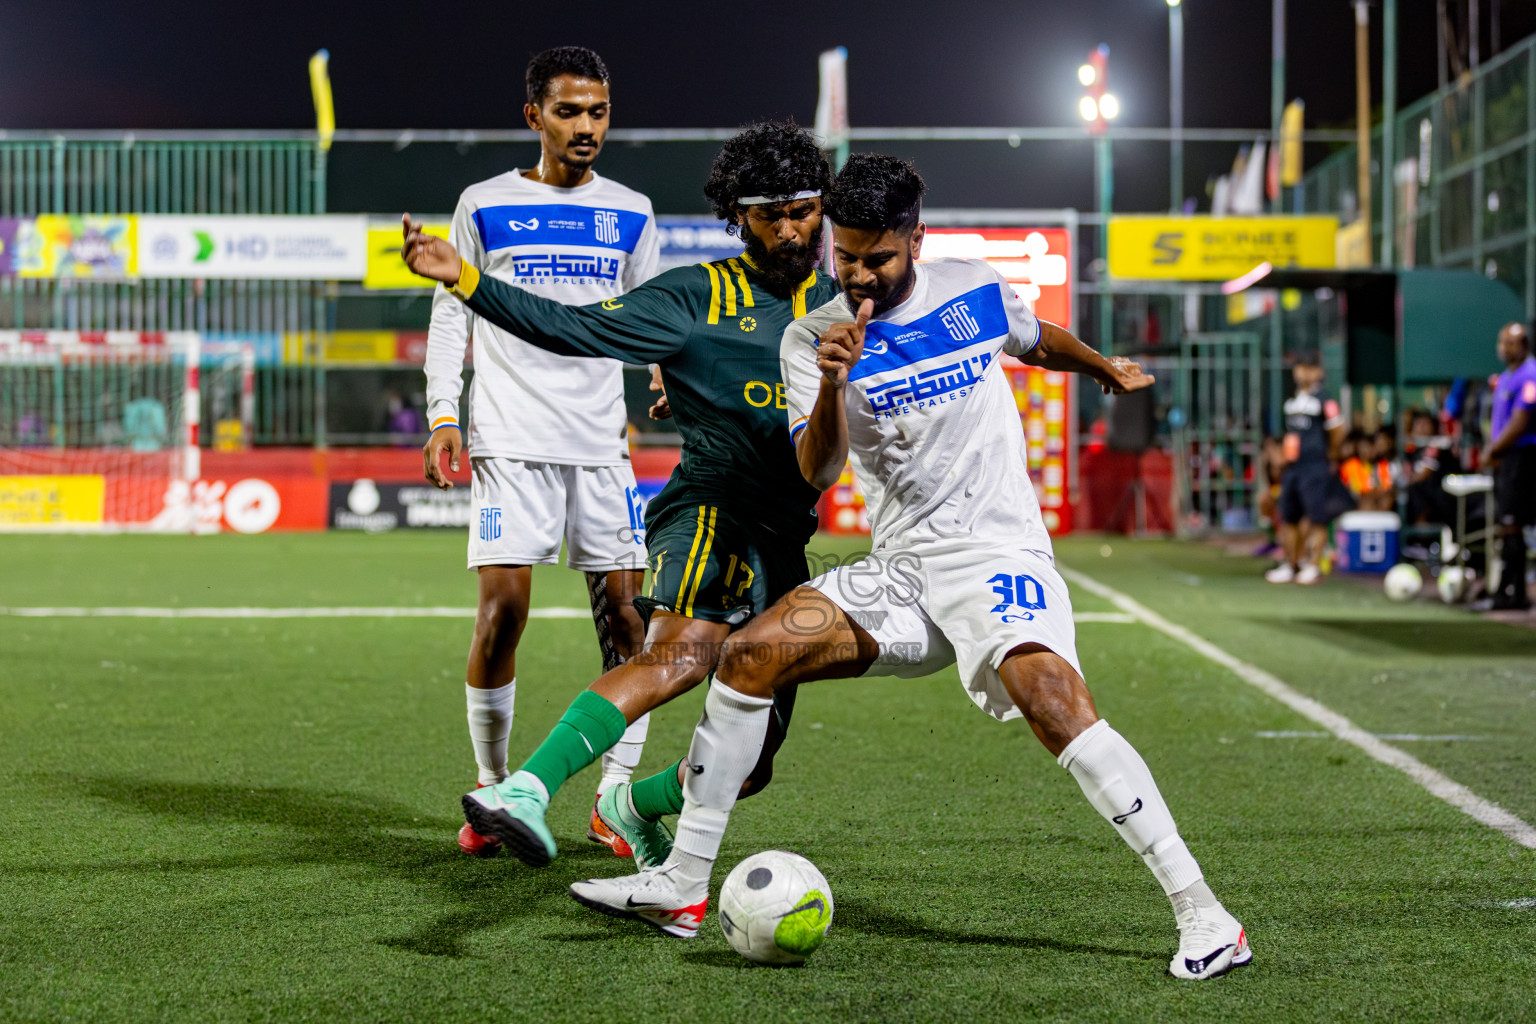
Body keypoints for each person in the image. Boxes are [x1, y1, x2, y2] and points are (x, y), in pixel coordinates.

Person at [564, 154, 1251, 981]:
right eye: (844, 256)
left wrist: (1099, 364)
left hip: (996, 554)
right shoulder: (809, 338)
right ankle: (681, 883)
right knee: (749, 659)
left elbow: (1034, 339)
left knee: (1052, 698)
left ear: (915, 241)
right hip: (899, 574)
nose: (857, 274)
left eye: (876, 258)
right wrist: (831, 385)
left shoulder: (972, 287)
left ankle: (1207, 916)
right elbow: (816, 471)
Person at [404, 120, 841, 869]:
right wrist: (466, 279)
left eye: (806, 208)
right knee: (676, 653)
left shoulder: (844, 302)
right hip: (710, 508)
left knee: (755, 762)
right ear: (739, 216)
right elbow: (569, 326)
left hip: (783, 535)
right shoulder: (693, 296)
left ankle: (626, 804)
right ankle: (523, 788)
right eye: (774, 213)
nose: (794, 226)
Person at [419, 46, 661, 858]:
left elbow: (649, 313)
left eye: (597, 111)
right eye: (568, 111)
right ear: (535, 117)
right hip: (510, 439)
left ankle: (613, 798)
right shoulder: (484, 203)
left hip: (599, 443)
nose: (586, 126)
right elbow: (453, 311)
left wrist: (667, 373)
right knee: (504, 615)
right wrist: (442, 413)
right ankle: (493, 793)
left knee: (631, 627)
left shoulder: (632, 209)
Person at [1265, 356, 1350, 585]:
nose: (1303, 373)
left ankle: (1313, 565)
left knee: (1316, 516)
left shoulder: (1325, 400)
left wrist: (1331, 453)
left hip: (1315, 465)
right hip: (1294, 467)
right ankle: (1291, 564)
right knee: (1289, 515)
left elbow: (1338, 429)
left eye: (1308, 368)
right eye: (1300, 368)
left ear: (1318, 372)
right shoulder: (1292, 400)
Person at [1474, 322, 1536, 611]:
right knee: (1506, 525)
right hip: (1506, 459)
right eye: (1502, 342)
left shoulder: (1530, 375)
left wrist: (1494, 449)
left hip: (1522, 458)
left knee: (1511, 524)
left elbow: (1520, 421)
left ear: (1523, 345)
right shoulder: (1505, 377)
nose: (1505, 348)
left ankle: (1509, 595)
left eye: (1511, 343)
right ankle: (1509, 592)